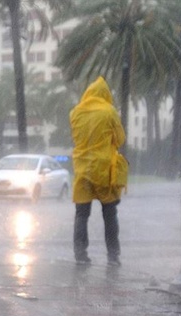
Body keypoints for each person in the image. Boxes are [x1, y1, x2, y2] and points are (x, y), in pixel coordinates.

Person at [69, 76, 128, 266]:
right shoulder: (109, 111)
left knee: (81, 214)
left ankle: (80, 254)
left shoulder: (76, 112)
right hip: (104, 170)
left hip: (82, 169)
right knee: (109, 213)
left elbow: (77, 137)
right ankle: (113, 256)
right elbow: (120, 139)